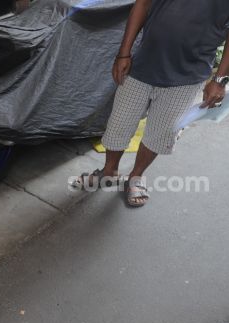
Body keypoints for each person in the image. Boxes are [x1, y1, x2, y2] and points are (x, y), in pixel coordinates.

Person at [76, 0, 229, 207]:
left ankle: (136, 177)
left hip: (188, 76)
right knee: (118, 124)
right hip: (142, 65)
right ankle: (109, 171)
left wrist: (219, 79)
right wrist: (124, 52)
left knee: (160, 133)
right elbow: (143, 4)